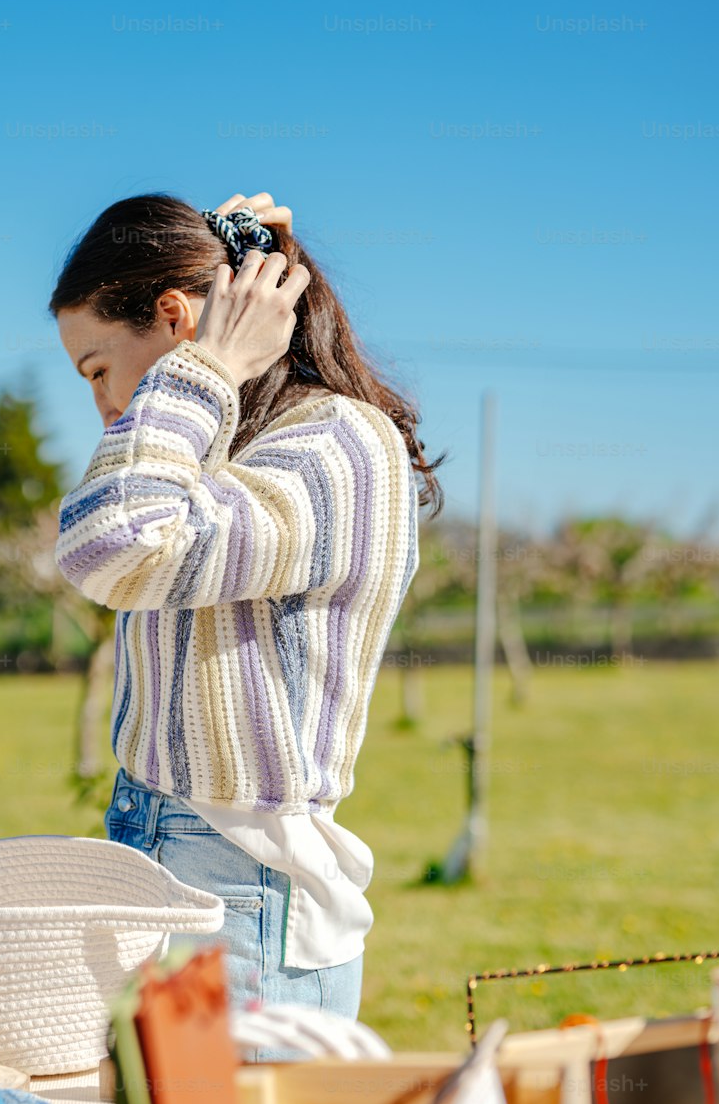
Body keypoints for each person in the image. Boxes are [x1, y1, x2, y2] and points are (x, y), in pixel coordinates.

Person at [50, 191, 442, 1057]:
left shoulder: (336, 445)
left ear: (174, 315)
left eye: (97, 368)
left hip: (241, 881)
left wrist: (202, 369)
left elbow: (116, 543)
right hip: (170, 846)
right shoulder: (231, 450)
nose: (105, 405)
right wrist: (203, 384)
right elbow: (95, 541)